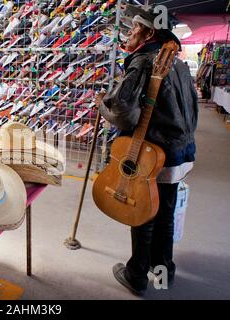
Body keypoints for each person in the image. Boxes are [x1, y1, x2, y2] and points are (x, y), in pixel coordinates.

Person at [97, 6, 198, 296]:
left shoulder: (143, 61)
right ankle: (162, 268)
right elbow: (191, 108)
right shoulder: (175, 62)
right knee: (164, 212)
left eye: (134, 29)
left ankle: (137, 275)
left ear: (149, 33)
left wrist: (102, 105)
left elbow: (122, 111)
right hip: (178, 152)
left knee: (141, 212)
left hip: (153, 154)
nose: (128, 34)